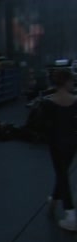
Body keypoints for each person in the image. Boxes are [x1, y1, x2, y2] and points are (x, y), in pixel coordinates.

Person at [42, 69, 77, 230]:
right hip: (72, 143)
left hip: (55, 143)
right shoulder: (75, 101)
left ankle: (70, 212)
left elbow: (45, 126)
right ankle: (55, 199)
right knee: (62, 173)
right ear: (66, 82)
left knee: (61, 173)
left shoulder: (48, 102)